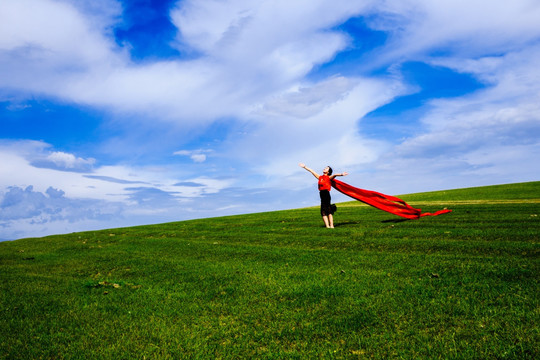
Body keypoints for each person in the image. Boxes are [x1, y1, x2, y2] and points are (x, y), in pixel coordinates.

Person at [299, 163, 348, 228]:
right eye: (325, 167)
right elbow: (312, 171)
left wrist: (342, 174)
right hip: (321, 194)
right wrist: (304, 167)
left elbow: (335, 175)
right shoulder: (320, 177)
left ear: (328, 172)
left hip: (326, 194)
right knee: (323, 211)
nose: (324, 168)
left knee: (328, 210)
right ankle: (327, 226)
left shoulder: (329, 177)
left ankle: (332, 225)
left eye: (326, 168)